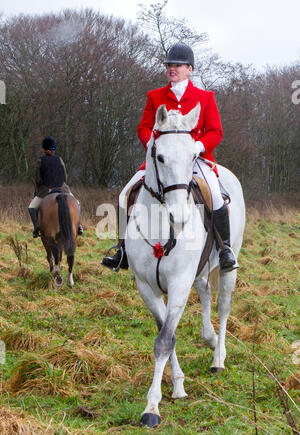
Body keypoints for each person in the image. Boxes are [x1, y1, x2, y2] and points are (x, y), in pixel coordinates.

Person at [101, 43, 238, 273]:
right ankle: (122, 250)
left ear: (189, 68)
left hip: (196, 160)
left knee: (215, 197)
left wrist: (197, 146)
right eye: (169, 65)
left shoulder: (205, 97)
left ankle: (225, 250)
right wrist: (155, 147)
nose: (171, 68)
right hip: (160, 161)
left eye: (177, 65)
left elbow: (216, 132)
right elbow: (143, 128)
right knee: (126, 193)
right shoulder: (155, 96)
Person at [28, 137, 83, 238]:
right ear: (53, 149)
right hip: (63, 189)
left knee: (31, 207)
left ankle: (36, 229)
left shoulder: (40, 161)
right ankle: (78, 225)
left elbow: (38, 179)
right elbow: (65, 177)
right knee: (77, 204)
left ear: (44, 149)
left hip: (46, 190)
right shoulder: (60, 160)